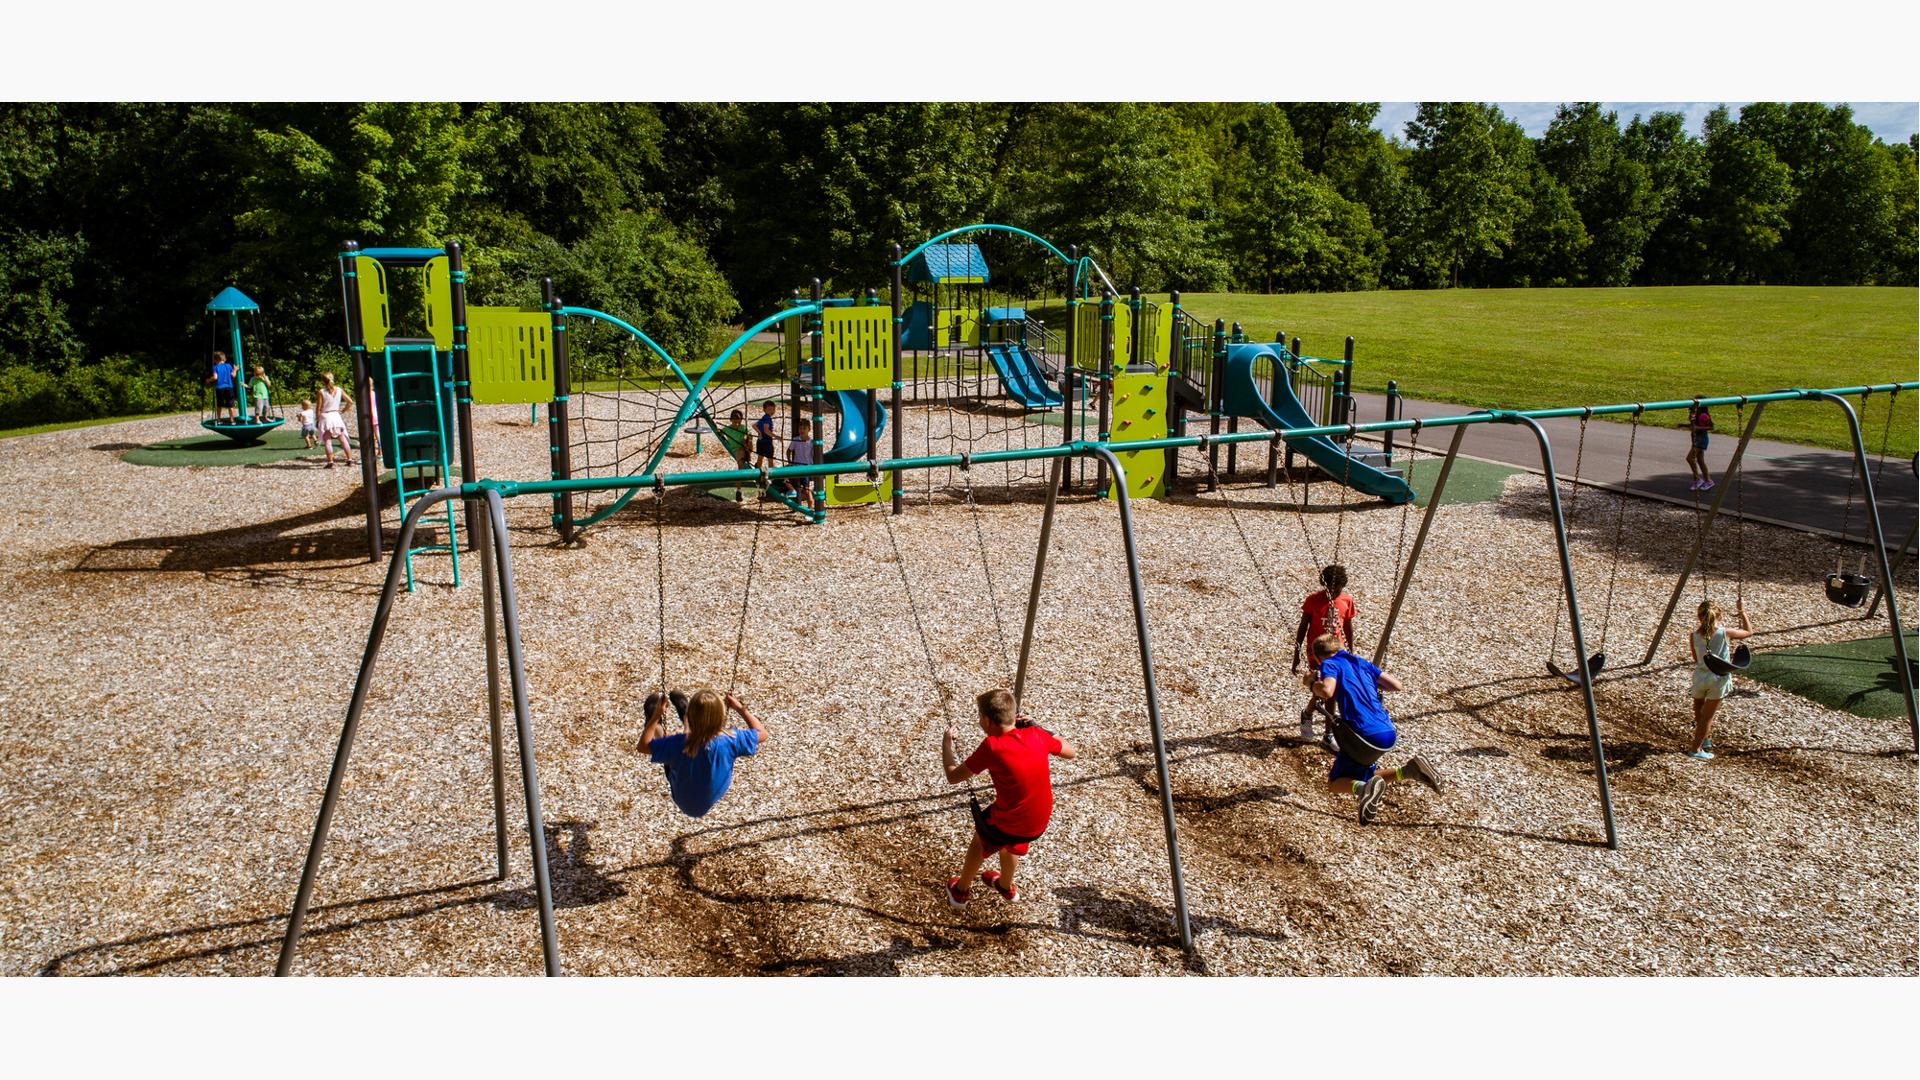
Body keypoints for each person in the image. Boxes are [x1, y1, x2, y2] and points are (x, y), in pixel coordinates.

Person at [940, 688, 1077, 906]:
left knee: (980, 839)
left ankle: (960, 891)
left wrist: (946, 744)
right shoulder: (1036, 735)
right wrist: (1037, 726)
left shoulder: (993, 746)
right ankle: (1005, 887)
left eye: (979, 718)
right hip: (1037, 821)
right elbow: (1071, 751)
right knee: (1012, 843)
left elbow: (953, 776)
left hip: (1011, 821)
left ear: (987, 720)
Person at [1303, 634, 1441, 824]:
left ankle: (1363, 790)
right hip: (1387, 733)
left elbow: (1327, 692)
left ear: (1319, 657)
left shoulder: (1330, 664)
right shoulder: (1361, 663)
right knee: (1365, 775)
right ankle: (1412, 771)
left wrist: (1310, 683)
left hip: (1363, 734)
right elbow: (1395, 685)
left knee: (1335, 784)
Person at [637, 688, 765, 818]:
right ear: (721, 716)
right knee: (682, 743)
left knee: (674, 744)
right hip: (709, 795)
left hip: (682, 795)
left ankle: (657, 722)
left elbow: (643, 746)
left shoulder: (677, 744)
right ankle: (684, 713)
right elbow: (763, 733)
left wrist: (656, 715)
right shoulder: (731, 739)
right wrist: (739, 707)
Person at [1292, 565, 1356, 742]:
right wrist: (1296, 654)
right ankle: (1328, 734)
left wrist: (1351, 651)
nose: (1333, 592)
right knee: (1330, 691)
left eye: (1337, 588)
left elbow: (1347, 627)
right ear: (1323, 584)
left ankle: (1307, 714)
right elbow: (1303, 626)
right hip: (1318, 652)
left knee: (1328, 691)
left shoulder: (1347, 601)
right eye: (1330, 588)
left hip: (1337, 651)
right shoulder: (1313, 600)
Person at [1686, 601, 1754, 760]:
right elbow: (1749, 632)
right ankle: (1695, 749)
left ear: (1699, 617)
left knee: (1699, 709)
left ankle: (1705, 740)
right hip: (1717, 678)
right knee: (1707, 717)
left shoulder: (1694, 636)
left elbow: (1696, 659)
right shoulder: (1725, 632)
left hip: (1700, 676)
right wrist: (1742, 611)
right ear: (1720, 616)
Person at [316, 371, 354, 468]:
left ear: (323, 381)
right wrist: (344, 410)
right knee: (342, 439)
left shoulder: (321, 392)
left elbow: (318, 408)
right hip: (336, 416)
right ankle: (350, 459)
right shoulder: (339, 390)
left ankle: (331, 462)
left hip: (326, 417)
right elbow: (350, 401)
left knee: (327, 441)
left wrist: (317, 419)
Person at [1684, 399, 1715, 492]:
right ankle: (1708, 481)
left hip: (1701, 439)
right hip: (1697, 439)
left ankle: (1697, 479)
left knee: (1689, 458)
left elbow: (1711, 426)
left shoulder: (1703, 415)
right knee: (1700, 461)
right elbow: (1693, 425)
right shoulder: (1695, 414)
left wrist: (1698, 428)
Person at [783, 417, 815, 500]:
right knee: (785, 477)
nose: (802, 430)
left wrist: (814, 465)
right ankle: (793, 490)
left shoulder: (811, 442)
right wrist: (790, 461)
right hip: (796, 465)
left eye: (804, 428)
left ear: (809, 429)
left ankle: (810, 506)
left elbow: (815, 454)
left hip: (807, 467)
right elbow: (789, 451)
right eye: (800, 428)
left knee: (806, 489)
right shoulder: (796, 440)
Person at [205, 351, 239, 423]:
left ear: (215, 360)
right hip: (229, 387)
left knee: (219, 404)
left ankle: (219, 419)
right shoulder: (228, 366)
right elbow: (233, 375)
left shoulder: (215, 367)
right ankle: (232, 420)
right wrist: (235, 369)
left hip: (219, 388)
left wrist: (208, 380)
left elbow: (215, 377)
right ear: (224, 359)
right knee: (230, 404)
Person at [752, 401, 778, 474]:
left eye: (773, 409)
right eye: (769, 409)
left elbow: (754, 425)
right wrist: (776, 436)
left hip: (760, 441)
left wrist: (759, 432)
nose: (772, 411)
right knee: (770, 459)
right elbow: (766, 430)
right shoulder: (767, 419)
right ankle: (772, 475)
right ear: (764, 410)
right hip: (767, 441)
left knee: (760, 458)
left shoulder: (763, 418)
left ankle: (757, 474)